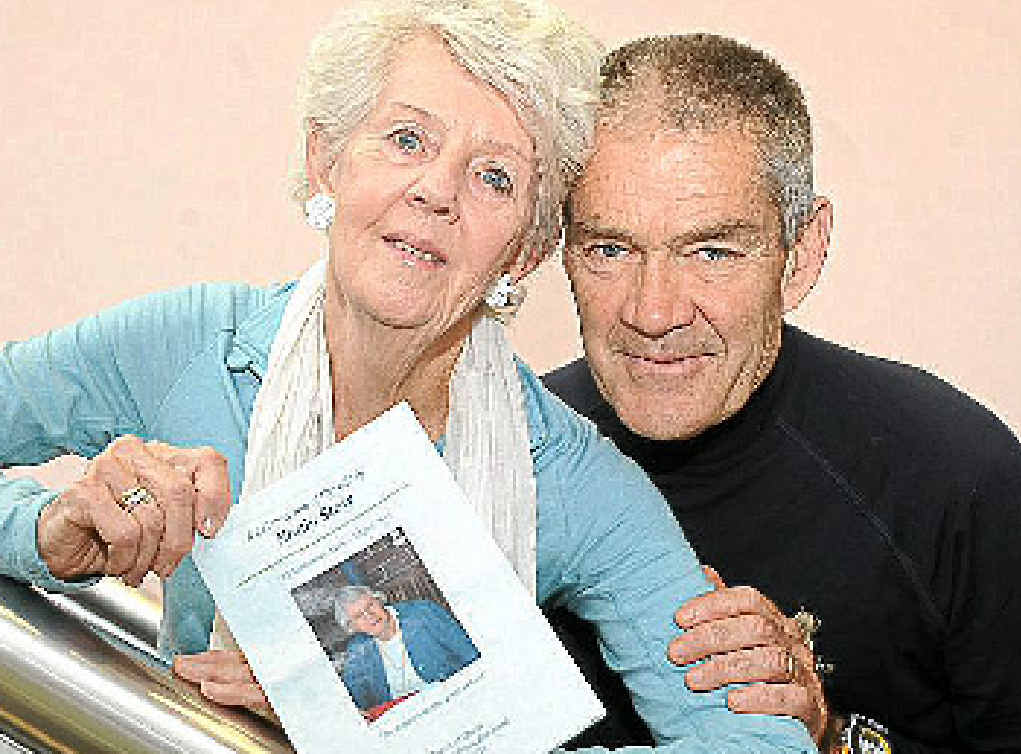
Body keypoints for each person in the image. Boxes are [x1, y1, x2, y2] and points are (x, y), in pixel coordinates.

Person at [0, 3, 817, 751]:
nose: (433, 190)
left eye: (493, 176)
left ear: (526, 251)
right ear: (327, 159)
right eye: (406, 140)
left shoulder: (568, 480)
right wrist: (46, 533)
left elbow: (758, 746)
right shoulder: (191, 347)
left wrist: (408, 727)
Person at [544, 33, 1021, 753]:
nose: (652, 312)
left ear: (799, 256)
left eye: (711, 251)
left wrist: (829, 739)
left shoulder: (955, 479)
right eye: (609, 249)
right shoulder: (492, 458)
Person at [334, 586, 478, 712]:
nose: (369, 616)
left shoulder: (423, 613)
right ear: (352, 627)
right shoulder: (357, 650)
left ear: (379, 600)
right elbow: (353, 701)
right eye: (359, 616)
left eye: (370, 606)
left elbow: (471, 654)